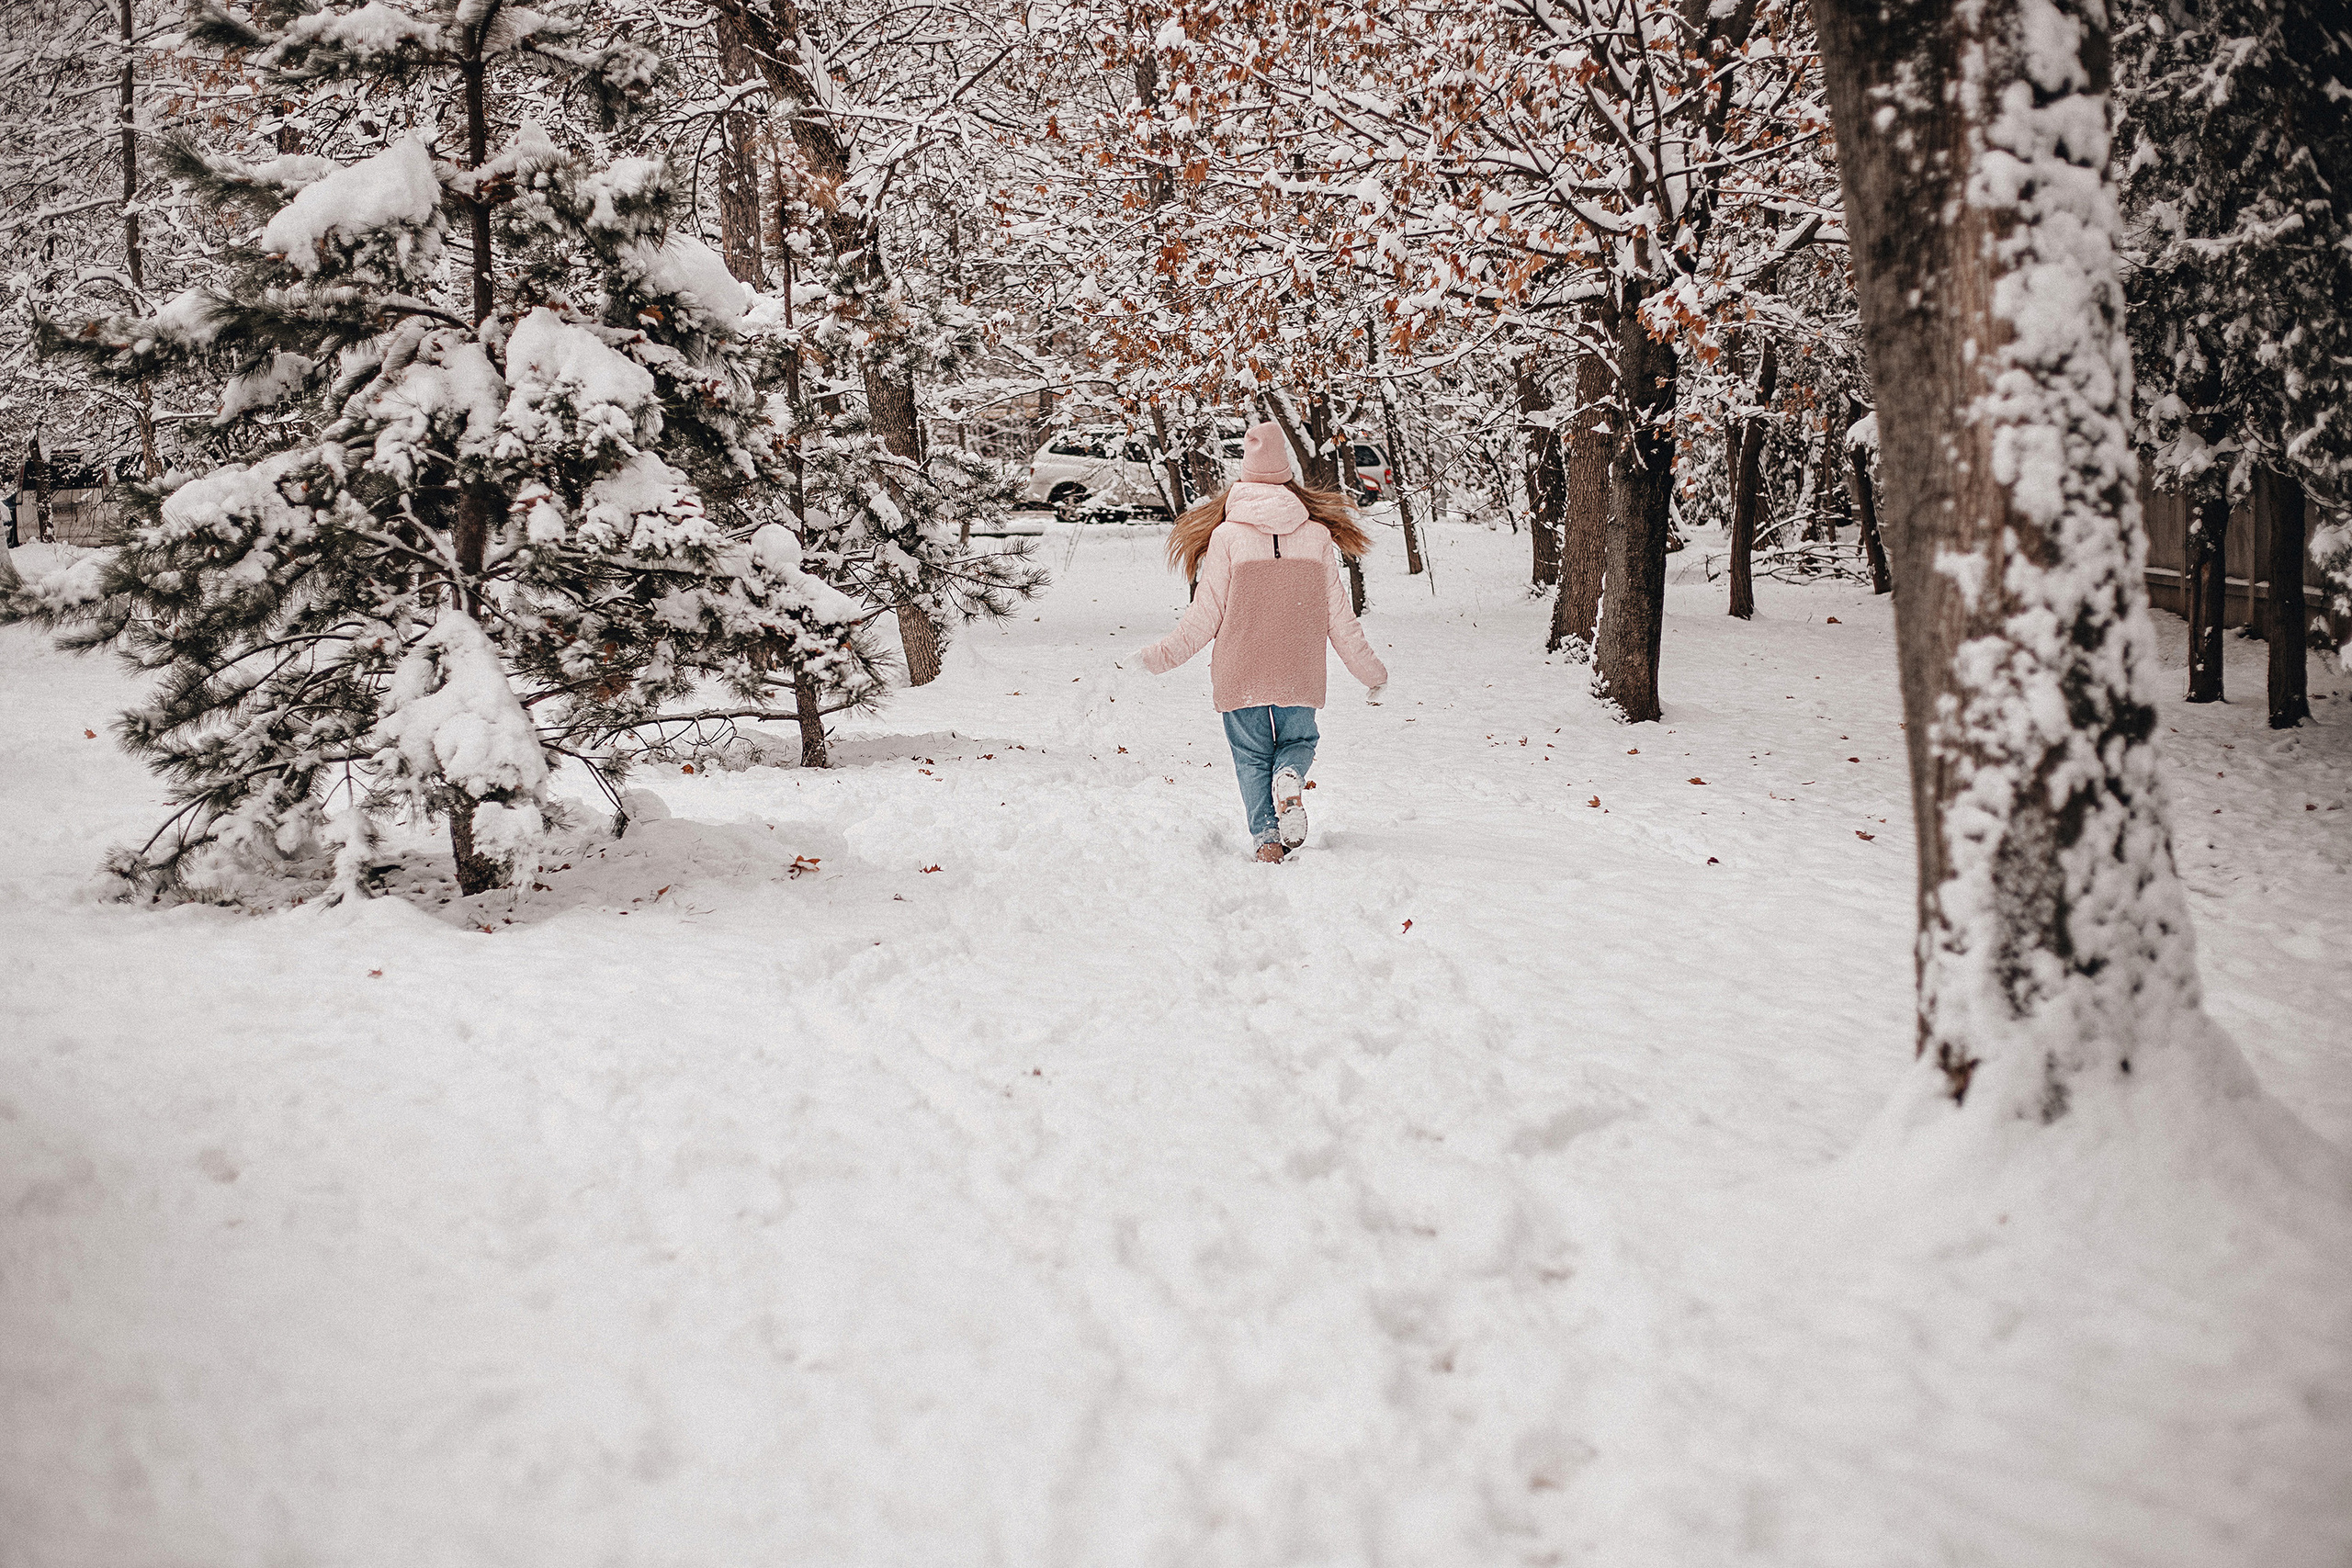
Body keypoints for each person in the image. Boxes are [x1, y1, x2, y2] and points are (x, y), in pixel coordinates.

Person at [1134, 420, 1388, 863]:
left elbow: (1204, 616)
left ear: (1245, 480)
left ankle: (1268, 841)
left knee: (1251, 757)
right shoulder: (1316, 536)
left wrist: (1157, 658)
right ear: (1288, 478)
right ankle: (1289, 774)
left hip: (1240, 668)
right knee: (1299, 742)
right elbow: (1340, 618)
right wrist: (1372, 673)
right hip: (1299, 667)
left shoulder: (1227, 537)